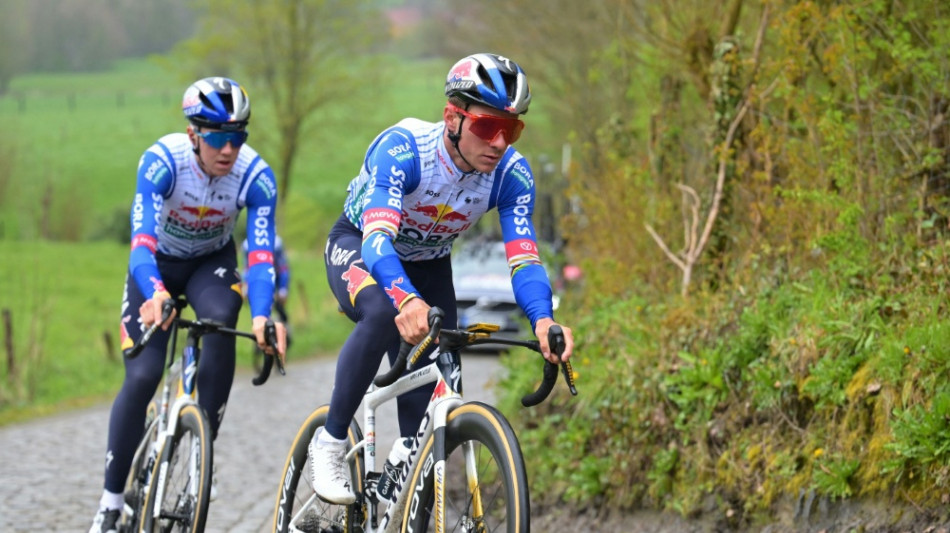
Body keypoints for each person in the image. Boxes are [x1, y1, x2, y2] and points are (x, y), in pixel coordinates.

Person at [311, 53, 575, 504]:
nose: (499, 142)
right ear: (452, 117)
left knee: (430, 424)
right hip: (362, 246)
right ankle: (331, 441)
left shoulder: (511, 176)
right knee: (381, 313)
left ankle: (397, 486)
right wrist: (405, 299)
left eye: (510, 130)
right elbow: (377, 241)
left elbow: (524, 259)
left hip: (430, 266)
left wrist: (543, 319)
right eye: (487, 127)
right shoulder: (404, 150)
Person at [89, 77, 288, 533]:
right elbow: (140, 243)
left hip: (210, 265)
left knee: (221, 318)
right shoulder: (162, 163)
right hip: (156, 266)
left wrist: (262, 314)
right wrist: (155, 292)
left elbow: (260, 257)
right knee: (143, 376)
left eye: (238, 137)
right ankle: (111, 503)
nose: (229, 149)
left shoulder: (256, 177)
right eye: (217, 138)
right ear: (193, 134)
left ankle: (203, 451)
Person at [243, 234, 292, 349]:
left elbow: (283, 269)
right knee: (259, 311)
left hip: (276, 278)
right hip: (258, 279)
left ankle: (286, 334)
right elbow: (247, 269)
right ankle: (259, 339)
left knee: (280, 310)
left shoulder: (277, 243)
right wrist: (246, 287)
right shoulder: (247, 245)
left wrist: (283, 289)